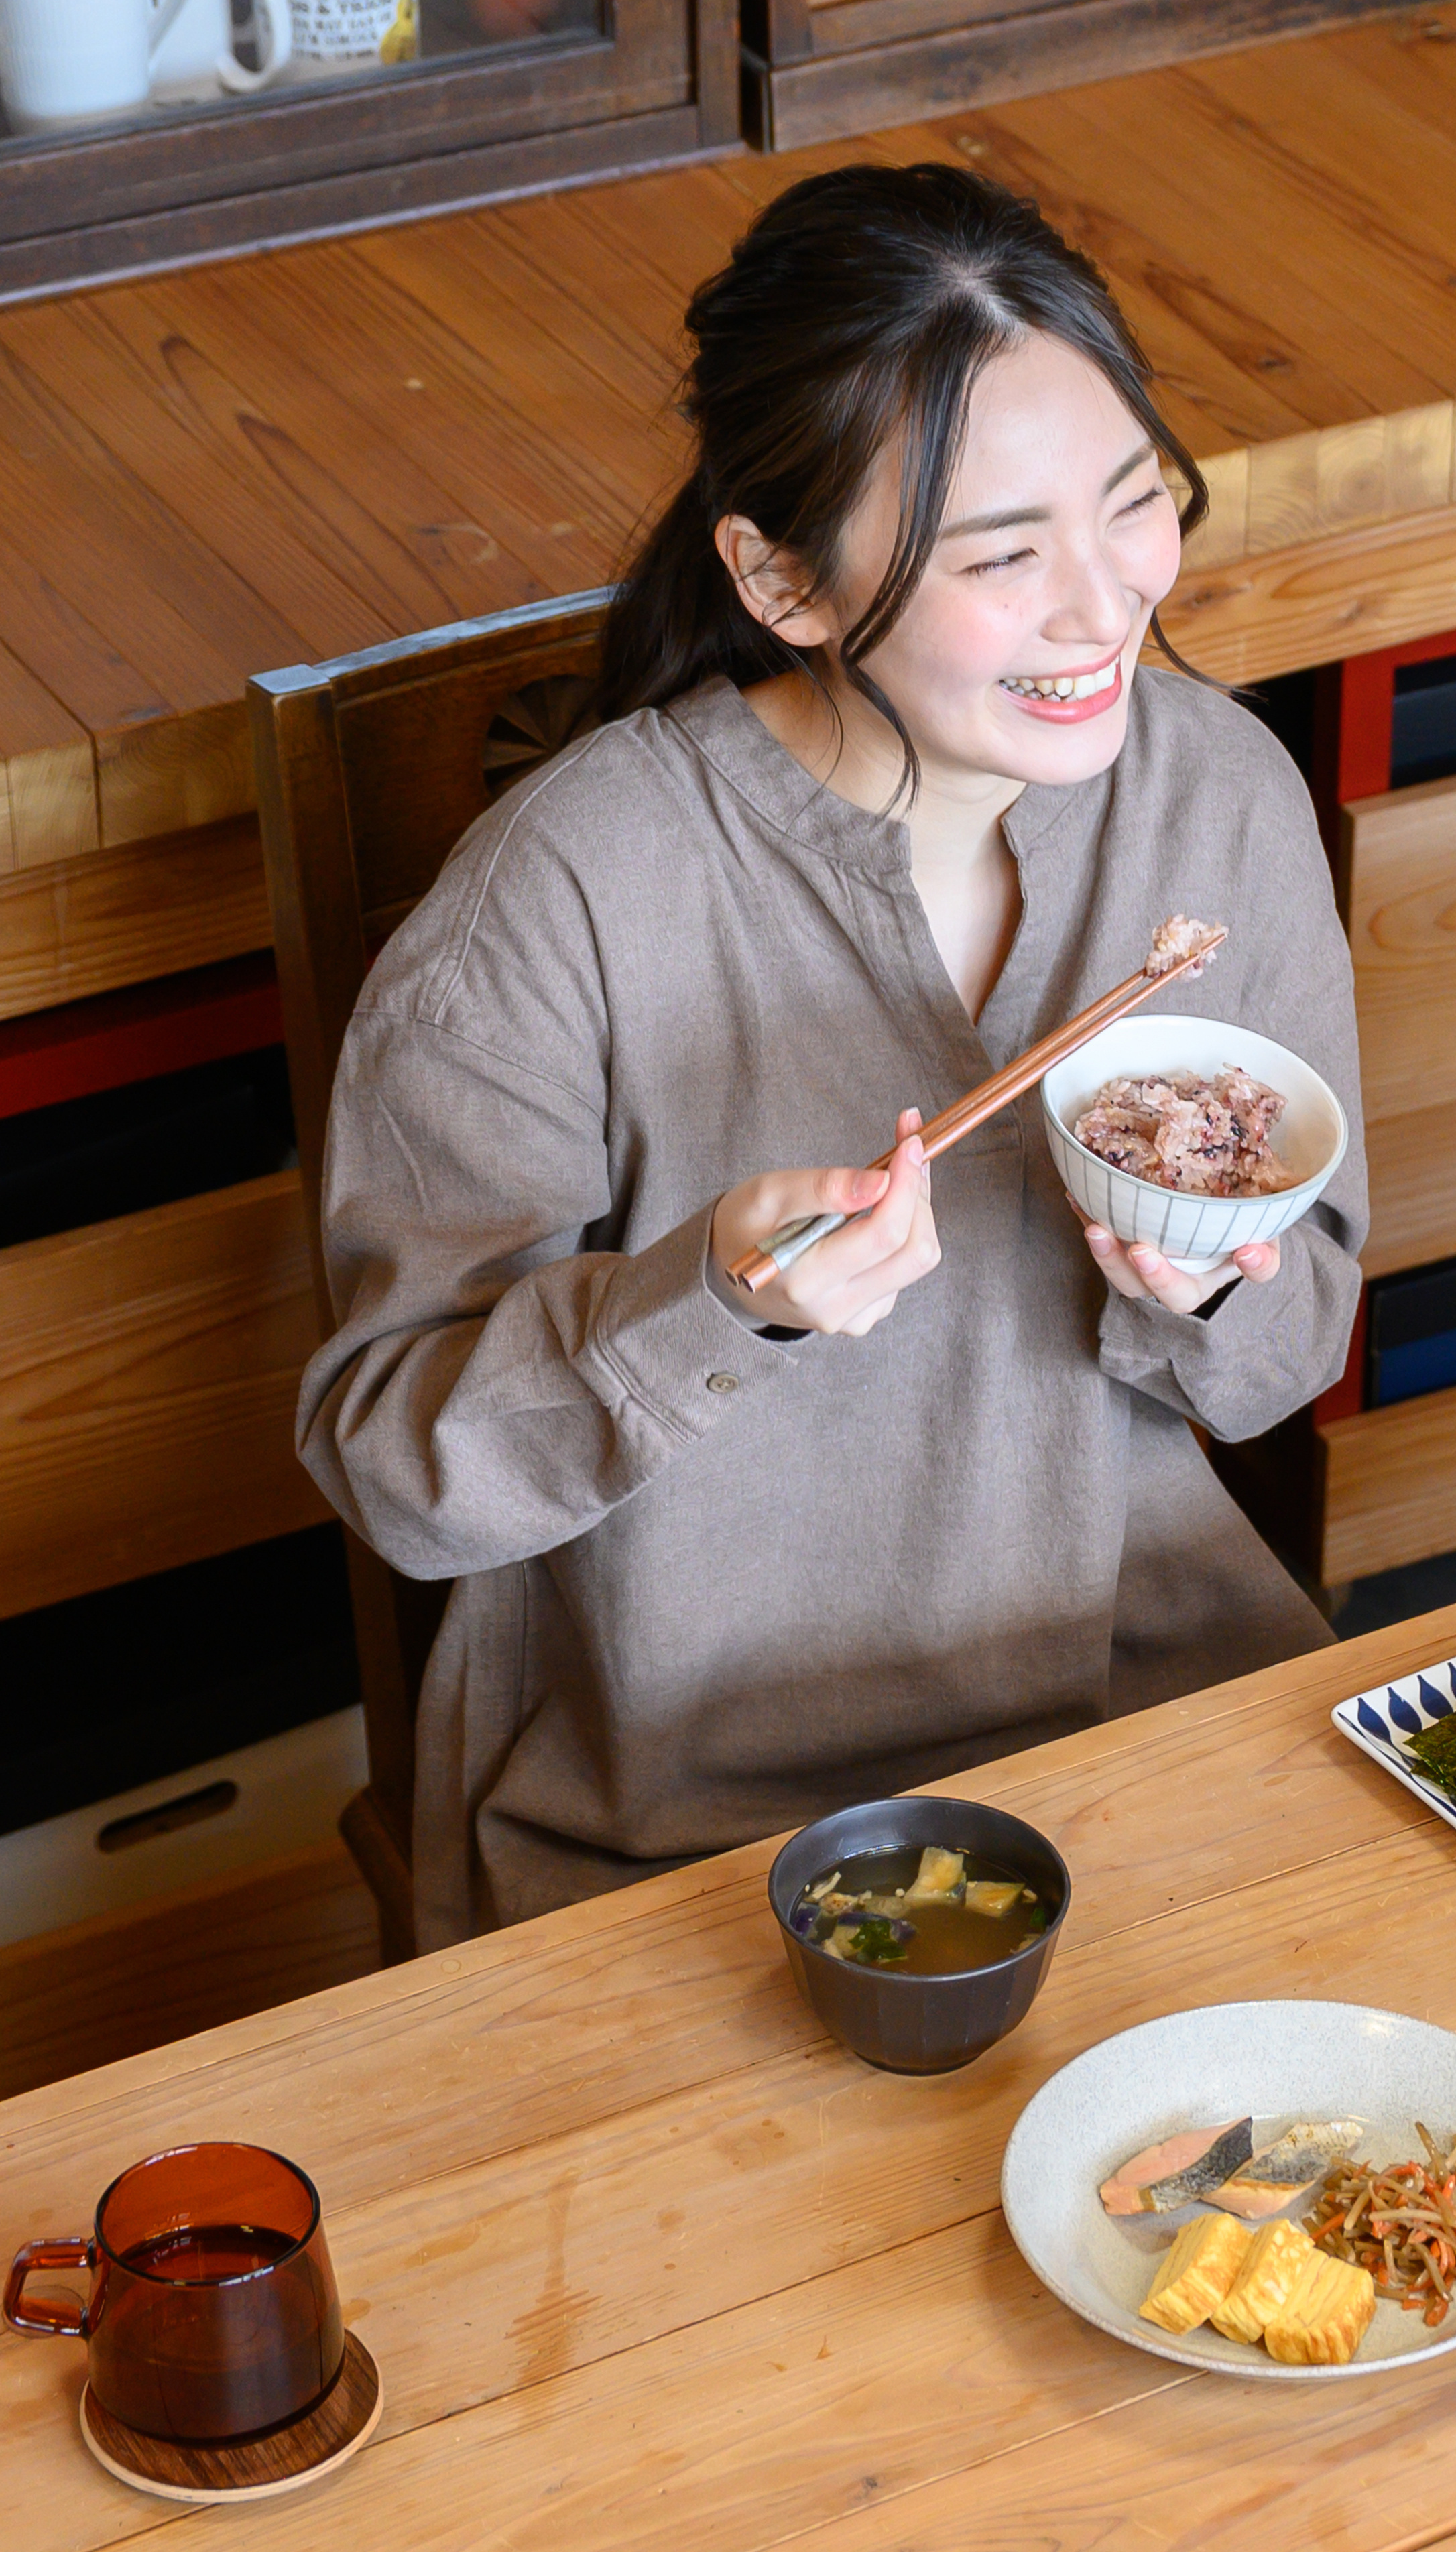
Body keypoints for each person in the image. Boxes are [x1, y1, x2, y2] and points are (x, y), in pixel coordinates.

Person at [298, 164, 1365, 1939]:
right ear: (783, 581)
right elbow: (396, 1468)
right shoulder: (567, 891)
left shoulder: (1219, 799)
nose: (1104, 607)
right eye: (1004, 557)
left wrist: (1205, 1285)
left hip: (1145, 1731)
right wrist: (709, 1302)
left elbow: (1294, 1340)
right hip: (681, 1827)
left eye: (1134, 505)